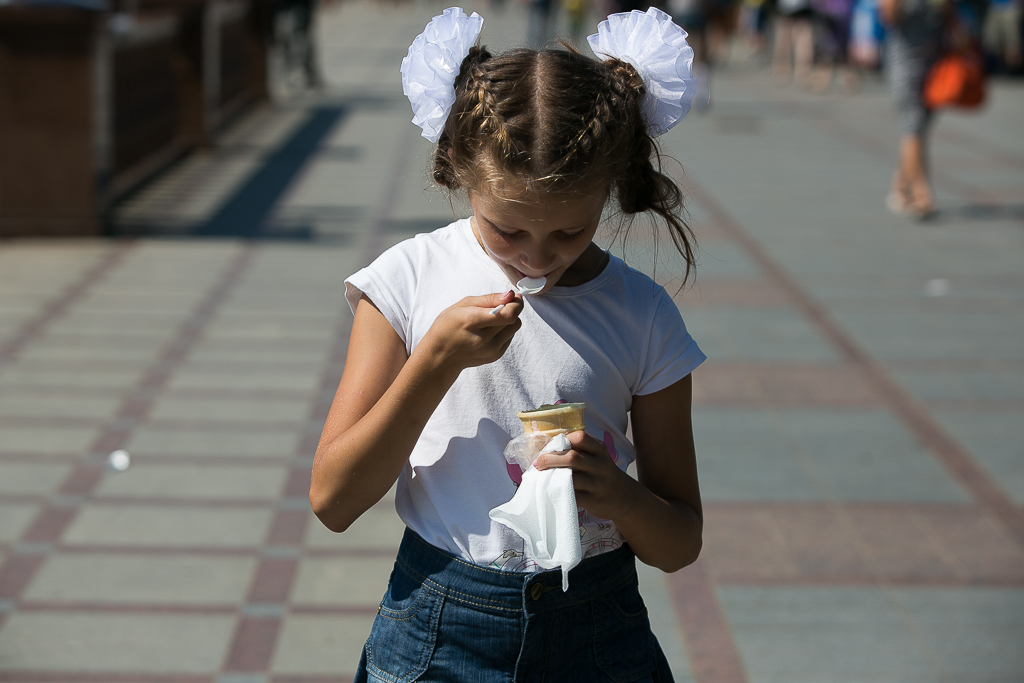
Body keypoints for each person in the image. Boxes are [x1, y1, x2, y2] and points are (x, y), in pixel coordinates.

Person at [309, 6, 705, 681]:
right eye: (507, 230)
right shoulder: (406, 281)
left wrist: (618, 494)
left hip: (599, 625)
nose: (536, 258)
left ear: (608, 191)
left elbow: (679, 540)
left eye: (570, 232)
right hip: (441, 622)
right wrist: (434, 362)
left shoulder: (643, 313)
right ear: (460, 172)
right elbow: (334, 498)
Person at [880, 0, 947, 218]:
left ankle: (900, 186)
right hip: (905, 62)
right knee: (913, 124)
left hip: (935, 63)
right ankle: (922, 194)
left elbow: (949, 16)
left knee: (920, 127)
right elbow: (888, 17)